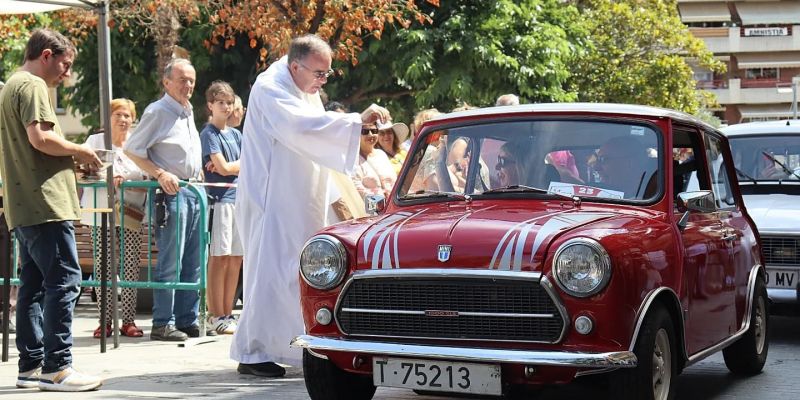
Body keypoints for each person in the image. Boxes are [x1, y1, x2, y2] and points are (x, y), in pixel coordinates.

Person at [232, 34, 389, 377]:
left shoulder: (306, 89)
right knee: (270, 271)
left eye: (327, 74)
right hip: (272, 197)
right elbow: (299, 128)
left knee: (301, 271)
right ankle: (254, 351)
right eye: (319, 73)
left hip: (303, 195)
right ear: (294, 66)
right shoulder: (270, 86)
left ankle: (298, 343)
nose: (323, 81)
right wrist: (355, 120)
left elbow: (317, 141)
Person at [0, 28, 103, 392]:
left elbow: (32, 151)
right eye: (65, 63)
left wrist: (69, 165)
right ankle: (57, 367)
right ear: (46, 55)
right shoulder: (32, 87)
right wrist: (81, 150)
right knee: (65, 280)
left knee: (33, 285)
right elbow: (40, 139)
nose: (67, 73)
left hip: (24, 204)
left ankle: (30, 366)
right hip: (45, 205)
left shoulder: (10, 85)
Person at [123, 58, 205, 342]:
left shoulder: (187, 111)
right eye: (182, 79)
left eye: (192, 80)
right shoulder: (158, 111)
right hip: (171, 194)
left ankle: (187, 318)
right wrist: (160, 173)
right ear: (166, 82)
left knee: (193, 261)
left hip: (194, 191)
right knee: (170, 260)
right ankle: (163, 322)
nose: (188, 85)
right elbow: (132, 149)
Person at [79, 99, 147, 338]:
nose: (123, 119)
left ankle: (128, 320)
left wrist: (129, 179)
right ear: (108, 118)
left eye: (127, 115)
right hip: (101, 212)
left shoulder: (137, 144)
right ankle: (104, 321)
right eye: (118, 114)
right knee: (104, 267)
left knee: (130, 266)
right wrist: (108, 175)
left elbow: (147, 172)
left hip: (130, 212)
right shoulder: (95, 141)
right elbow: (83, 169)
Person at [200, 81, 242, 335]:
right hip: (220, 200)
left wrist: (231, 165)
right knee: (219, 257)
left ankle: (228, 313)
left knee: (236, 257)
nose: (225, 107)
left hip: (239, 198)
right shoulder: (208, 134)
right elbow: (224, 169)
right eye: (220, 102)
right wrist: (232, 166)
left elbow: (245, 164)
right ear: (210, 105)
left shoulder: (237, 134)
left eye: (228, 102)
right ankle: (215, 314)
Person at [352, 123, 397, 200]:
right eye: (365, 132)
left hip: (392, 205)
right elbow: (356, 189)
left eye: (374, 131)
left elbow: (394, 180)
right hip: (372, 209)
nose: (370, 134)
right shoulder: (354, 159)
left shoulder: (381, 154)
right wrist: (380, 198)